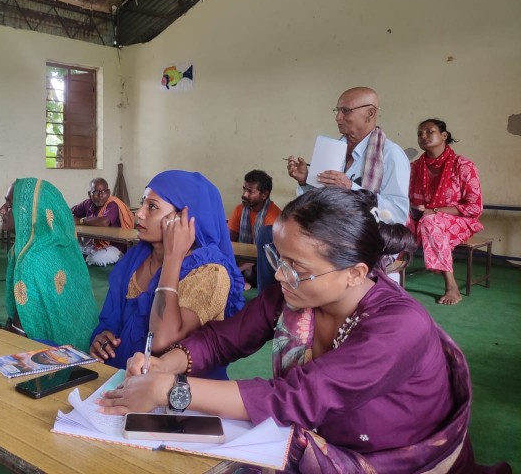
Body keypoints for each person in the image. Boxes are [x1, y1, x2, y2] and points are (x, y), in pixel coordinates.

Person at [100, 187, 483, 472]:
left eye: (297, 267)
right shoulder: (295, 293)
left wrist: (170, 389)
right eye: (278, 260)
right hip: (316, 438)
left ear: (355, 274)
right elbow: (222, 340)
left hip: (386, 457)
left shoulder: (399, 327)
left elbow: (295, 398)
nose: (281, 276)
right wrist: (164, 364)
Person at [90, 171, 245, 379]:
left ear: (183, 218)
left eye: (152, 207)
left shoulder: (210, 272)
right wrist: (102, 337)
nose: (139, 214)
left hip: (176, 391)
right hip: (121, 378)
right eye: (142, 203)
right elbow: (111, 318)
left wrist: (172, 257)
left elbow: (161, 340)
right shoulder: (136, 257)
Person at [0, 178, 98, 351]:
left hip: (59, 355)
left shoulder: (32, 258)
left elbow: (20, 332)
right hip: (86, 345)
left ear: (28, 212)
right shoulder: (64, 245)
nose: (1, 210)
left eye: (9, 204)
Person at [286, 86, 410, 224]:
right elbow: (318, 202)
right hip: (329, 229)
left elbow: (398, 215)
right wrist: (305, 181)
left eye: (345, 111)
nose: (337, 117)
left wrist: (351, 189)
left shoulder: (390, 154)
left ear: (370, 113)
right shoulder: (332, 149)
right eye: (337, 110)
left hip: (366, 234)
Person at [408, 119, 483, 305]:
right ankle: (389, 277)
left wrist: (435, 211)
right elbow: (405, 198)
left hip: (459, 220)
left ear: (444, 135)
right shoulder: (414, 167)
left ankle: (451, 286)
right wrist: (416, 208)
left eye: (429, 131)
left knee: (430, 222)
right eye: (420, 133)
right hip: (421, 217)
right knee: (394, 219)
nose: (423, 136)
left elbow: (475, 207)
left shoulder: (463, 166)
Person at [227, 169, 281, 291]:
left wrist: (238, 270)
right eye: (244, 189)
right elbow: (229, 243)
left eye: (250, 191)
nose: (244, 194)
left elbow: (267, 254)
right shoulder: (239, 210)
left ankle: (244, 279)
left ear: (264, 194)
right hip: (241, 263)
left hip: (261, 265)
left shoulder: (274, 215)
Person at [72, 177, 135, 266]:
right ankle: (87, 254)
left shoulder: (113, 204)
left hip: (116, 246)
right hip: (96, 244)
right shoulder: (88, 203)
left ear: (108, 192)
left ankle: (88, 255)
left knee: (95, 259)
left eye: (103, 191)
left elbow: (104, 222)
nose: (100, 195)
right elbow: (69, 212)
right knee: (71, 243)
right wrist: (73, 218)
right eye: (95, 192)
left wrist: (80, 221)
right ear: (89, 194)